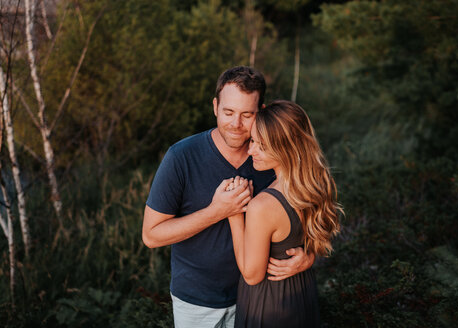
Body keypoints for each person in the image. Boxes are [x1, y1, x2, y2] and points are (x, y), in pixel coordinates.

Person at [142, 67, 314, 328]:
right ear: (215, 107)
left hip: (256, 301)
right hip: (196, 303)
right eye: (228, 112)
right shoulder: (181, 157)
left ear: (261, 112)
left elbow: (312, 216)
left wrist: (310, 257)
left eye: (247, 115)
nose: (236, 124)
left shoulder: (270, 159)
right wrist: (217, 211)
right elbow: (151, 235)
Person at [226, 100, 343, 328]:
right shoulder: (315, 184)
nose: (250, 151)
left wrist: (233, 214)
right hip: (301, 294)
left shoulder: (263, 206)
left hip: (269, 306)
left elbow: (252, 275)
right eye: (252, 141)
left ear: (285, 148)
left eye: (261, 145)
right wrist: (309, 258)